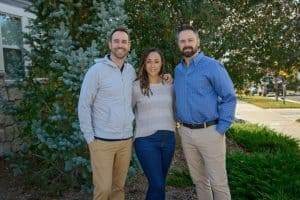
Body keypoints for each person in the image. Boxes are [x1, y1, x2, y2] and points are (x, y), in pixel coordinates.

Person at [78, 27, 173, 200]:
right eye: (116, 41)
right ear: (110, 44)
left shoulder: (130, 72)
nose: (120, 45)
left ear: (129, 46)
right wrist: (90, 137)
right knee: (103, 190)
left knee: (118, 189)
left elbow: (145, 88)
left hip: (125, 141)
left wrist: (167, 77)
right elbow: (84, 105)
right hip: (102, 140)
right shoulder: (96, 71)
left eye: (124, 42)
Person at [174, 25, 237, 200]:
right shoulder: (178, 71)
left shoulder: (212, 66)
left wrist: (221, 128)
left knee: (218, 182)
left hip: (210, 132)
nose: (187, 44)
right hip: (186, 133)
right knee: (199, 181)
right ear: (178, 44)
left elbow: (229, 97)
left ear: (197, 42)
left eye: (190, 40)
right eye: (182, 41)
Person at [132, 48, 175, 200]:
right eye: (149, 61)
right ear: (144, 64)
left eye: (156, 61)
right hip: (145, 140)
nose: (153, 65)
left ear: (162, 63)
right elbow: (126, 111)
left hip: (169, 139)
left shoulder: (169, 85)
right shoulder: (136, 87)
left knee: (160, 184)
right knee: (157, 184)